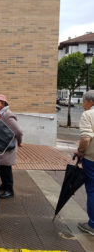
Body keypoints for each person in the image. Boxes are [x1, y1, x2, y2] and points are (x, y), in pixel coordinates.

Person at [0, 94, 23, 199]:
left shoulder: (7, 115)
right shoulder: (0, 114)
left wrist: (19, 142)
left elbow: (18, 131)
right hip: (3, 146)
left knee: (6, 168)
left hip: (8, 147)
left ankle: (9, 190)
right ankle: (4, 185)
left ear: (3, 103)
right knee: (2, 166)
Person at [75, 90, 94, 236]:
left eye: (83, 101)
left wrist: (80, 151)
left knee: (92, 190)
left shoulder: (88, 115)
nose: (83, 104)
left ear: (90, 101)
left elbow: (86, 138)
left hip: (91, 159)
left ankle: (92, 224)